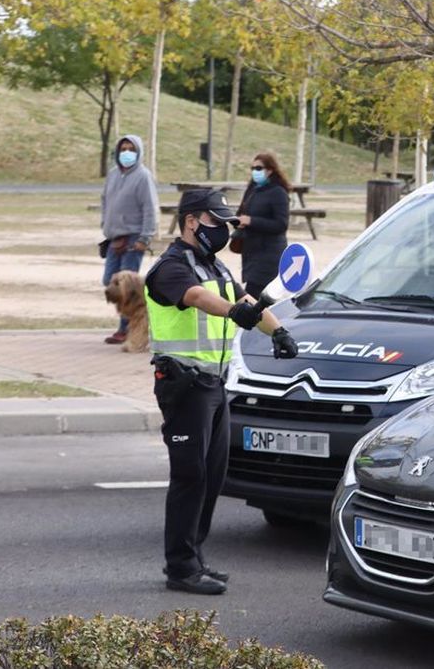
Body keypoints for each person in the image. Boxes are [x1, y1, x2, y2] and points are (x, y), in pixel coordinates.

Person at [144, 189, 299, 595]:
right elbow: (197, 298)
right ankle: (180, 568)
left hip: (214, 384)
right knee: (190, 475)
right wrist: (235, 311)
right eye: (217, 221)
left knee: (212, 475)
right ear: (191, 221)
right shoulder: (171, 267)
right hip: (184, 385)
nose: (225, 230)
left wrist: (279, 331)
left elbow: (247, 301)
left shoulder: (216, 266)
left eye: (228, 223)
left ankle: (195, 557)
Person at [99, 134, 158, 345]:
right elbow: (105, 200)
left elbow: (150, 208)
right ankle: (129, 322)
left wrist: (145, 237)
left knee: (129, 286)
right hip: (114, 237)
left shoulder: (143, 176)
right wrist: (105, 224)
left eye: (131, 149)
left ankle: (126, 328)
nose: (126, 153)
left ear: (138, 152)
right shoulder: (113, 174)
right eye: (123, 149)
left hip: (134, 238)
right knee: (109, 280)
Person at [234, 152, 292, 299]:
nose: (255, 171)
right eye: (252, 168)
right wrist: (239, 222)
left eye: (259, 168)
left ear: (270, 170)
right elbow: (241, 212)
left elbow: (281, 224)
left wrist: (252, 221)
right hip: (251, 253)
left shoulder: (278, 192)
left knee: (254, 298)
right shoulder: (252, 189)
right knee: (255, 298)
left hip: (269, 255)